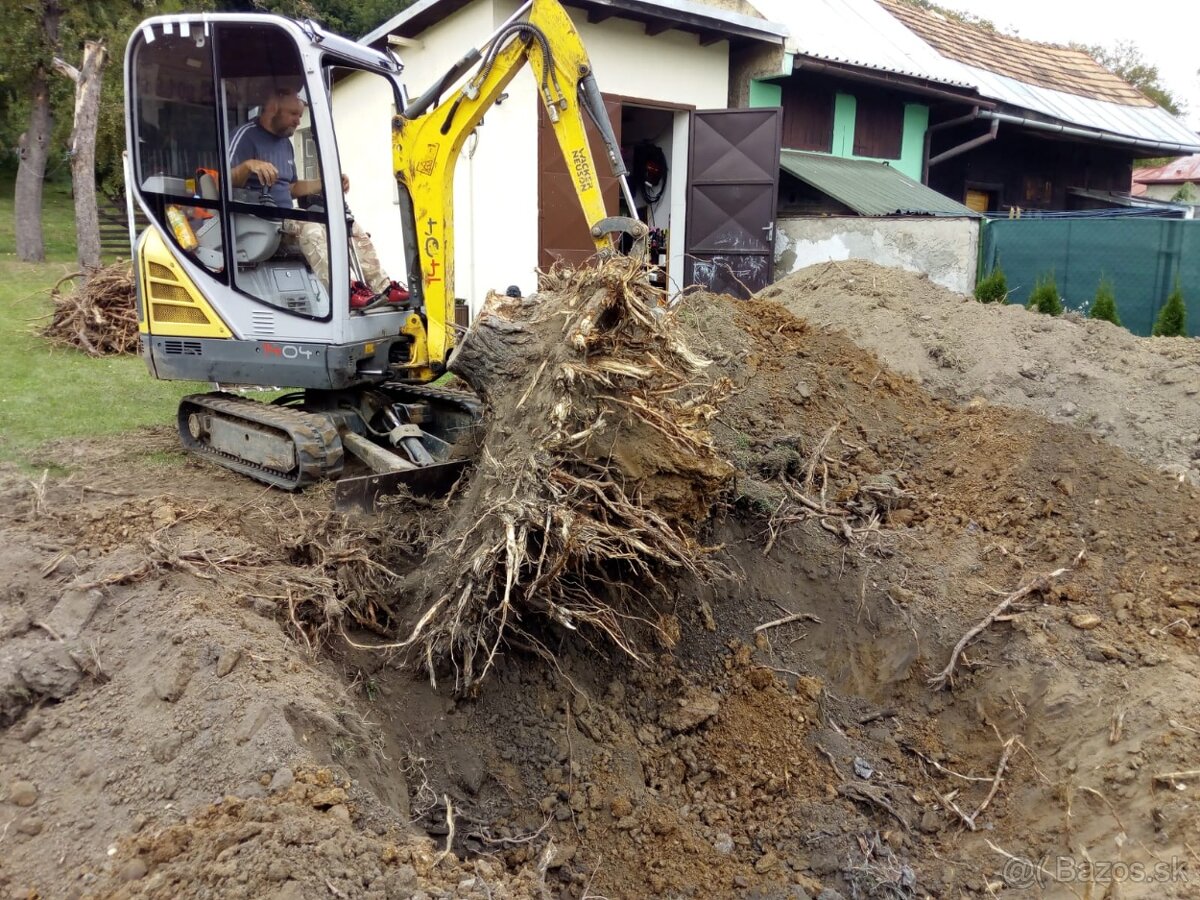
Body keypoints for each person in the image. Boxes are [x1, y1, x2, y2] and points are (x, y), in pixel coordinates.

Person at [229, 87, 404, 307]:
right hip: (256, 222)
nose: (297, 121)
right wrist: (248, 165)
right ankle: (343, 291)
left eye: (300, 116)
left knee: (347, 225)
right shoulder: (245, 136)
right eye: (293, 114)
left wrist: (327, 183)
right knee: (311, 228)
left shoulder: (285, 144)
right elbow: (220, 183)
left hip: (285, 219)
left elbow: (290, 188)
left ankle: (383, 288)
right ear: (273, 108)